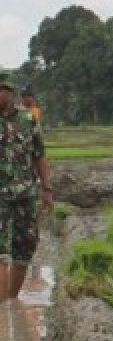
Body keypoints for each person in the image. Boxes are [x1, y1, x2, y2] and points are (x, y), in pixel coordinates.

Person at [0, 73, 53, 300]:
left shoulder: (27, 120)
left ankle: (10, 302)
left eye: (3, 91)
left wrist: (47, 190)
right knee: (0, 254)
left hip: (25, 194)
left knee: (24, 251)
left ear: (10, 93)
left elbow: (39, 155)